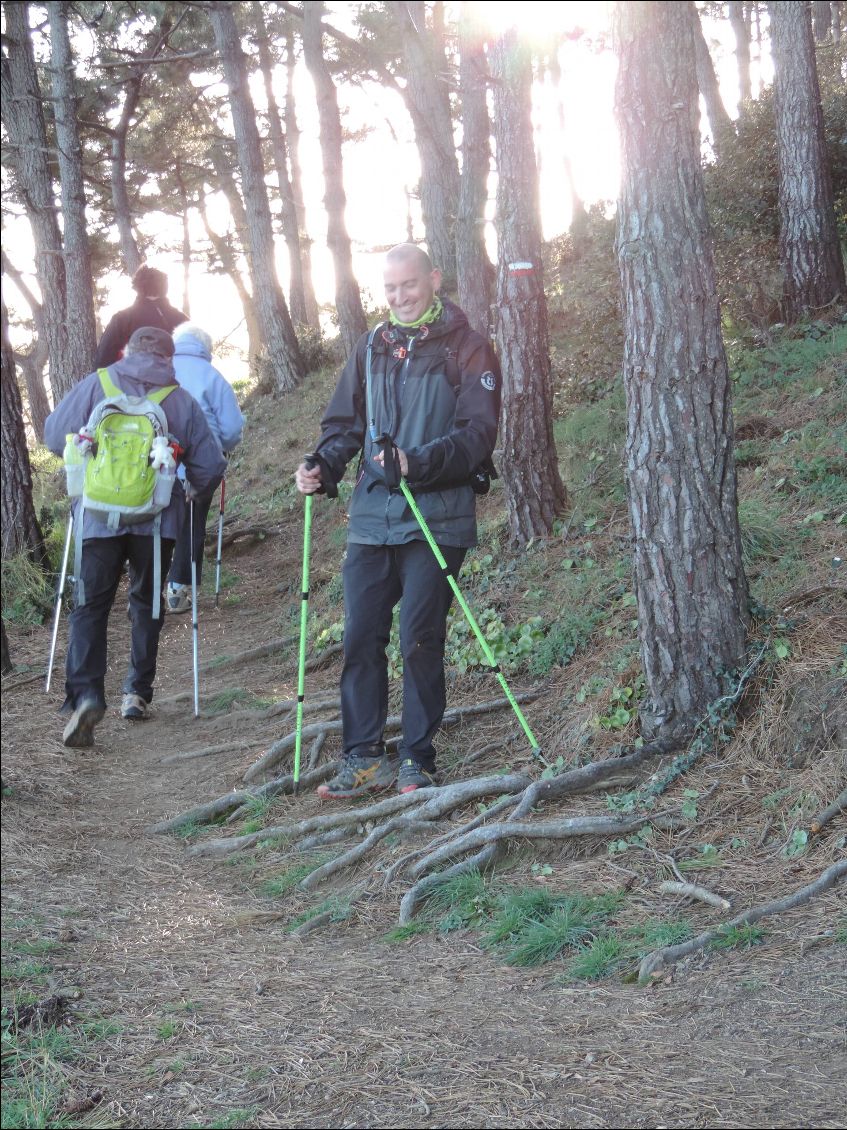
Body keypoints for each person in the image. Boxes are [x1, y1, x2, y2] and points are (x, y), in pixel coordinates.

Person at [295, 243, 501, 799]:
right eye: (389, 288)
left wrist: (419, 462)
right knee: (361, 635)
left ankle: (416, 757)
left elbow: (478, 436)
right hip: (371, 517)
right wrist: (322, 465)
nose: (399, 296)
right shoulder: (371, 347)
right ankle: (362, 757)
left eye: (408, 284)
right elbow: (345, 425)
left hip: (438, 517)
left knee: (419, 637)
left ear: (433, 278)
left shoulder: (469, 348)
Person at [44, 327, 227, 747]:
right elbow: (210, 463)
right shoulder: (177, 399)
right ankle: (136, 694)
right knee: (146, 602)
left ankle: (87, 694)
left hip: (96, 518)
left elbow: (55, 436)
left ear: (127, 352)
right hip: (157, 520)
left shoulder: (97, 384)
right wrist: (191, 489)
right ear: (168, 358)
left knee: (90, 606)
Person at [164, 324, 245, 614]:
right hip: (199, 465)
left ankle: (147, 588)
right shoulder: (212, 376)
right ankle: (177, 590)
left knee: (157, 523)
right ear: (205, 348)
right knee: (192, 523)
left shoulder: (160, 369)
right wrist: (220, 446)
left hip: (156, 462)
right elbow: (233, 429)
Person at [93, 265, 187, 369]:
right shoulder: (182, 321)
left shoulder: (121, 319)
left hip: (130, 382)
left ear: (137, 287)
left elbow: (102, 363)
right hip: (175, 381)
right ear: (166, 288)